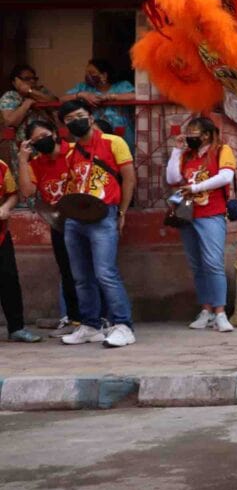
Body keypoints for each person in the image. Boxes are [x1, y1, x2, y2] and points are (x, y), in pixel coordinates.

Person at [57, 99, 137, 348]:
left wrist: (121, 213)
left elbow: (129, 179)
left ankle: (124, 326)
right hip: (75, 218)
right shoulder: (69, 151)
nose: (75, 122)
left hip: (104, 215)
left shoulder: (114, 143)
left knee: (106, 273)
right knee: (81, 277)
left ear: (90, 117)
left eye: (79, 116)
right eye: (69, 120)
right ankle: (91, 325)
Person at [165, 116, 236, 333]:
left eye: (194, 132)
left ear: (206, 134)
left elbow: (226, 176)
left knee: (213, 263)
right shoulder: (187, 155)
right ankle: (205, 310)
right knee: (197, 265)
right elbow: (172, 178)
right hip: (187, 214)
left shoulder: (222, 150)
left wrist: (195, 188)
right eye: (188, 133)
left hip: (211, 213)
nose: (189, 136)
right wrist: (176, 150)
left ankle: (220, 312)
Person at [17, 119, 80, 336]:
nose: (41, 141)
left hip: (83, 219)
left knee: (91, 271)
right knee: (67, 272)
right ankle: (74, 320)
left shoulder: (74, 152)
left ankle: (100, 318)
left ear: (54, 133)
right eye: (36, 140)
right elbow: (26, 192)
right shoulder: (36, 163)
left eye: (44, 135)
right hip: (59, 224)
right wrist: (22, 160)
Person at [0, 154, 41, 343]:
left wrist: (6, 207)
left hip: (1, 236)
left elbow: (13, 194)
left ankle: (16, 328)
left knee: (9, 279)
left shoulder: (1, 167)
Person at [61, 58, 136, 150]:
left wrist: (109, 97)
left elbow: (135, 96)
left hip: (121, 130)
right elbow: (62, 99)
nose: (88, 76)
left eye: (92, 73)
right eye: (87, 73)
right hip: (94, 130)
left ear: (104, 75)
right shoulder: (83, 87)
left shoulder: (122, 85)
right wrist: (81, 95)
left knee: (121, 153)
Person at [1, 64, 58, 144]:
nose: (32, 81)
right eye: (27, 78)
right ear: (15, 82)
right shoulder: (10, 96)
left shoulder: (41, 91)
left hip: (49, 139)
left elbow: (55, 102)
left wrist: (29, 91)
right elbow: (10, 122)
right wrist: (26, 104)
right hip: (26, 143)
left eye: (34, 78)